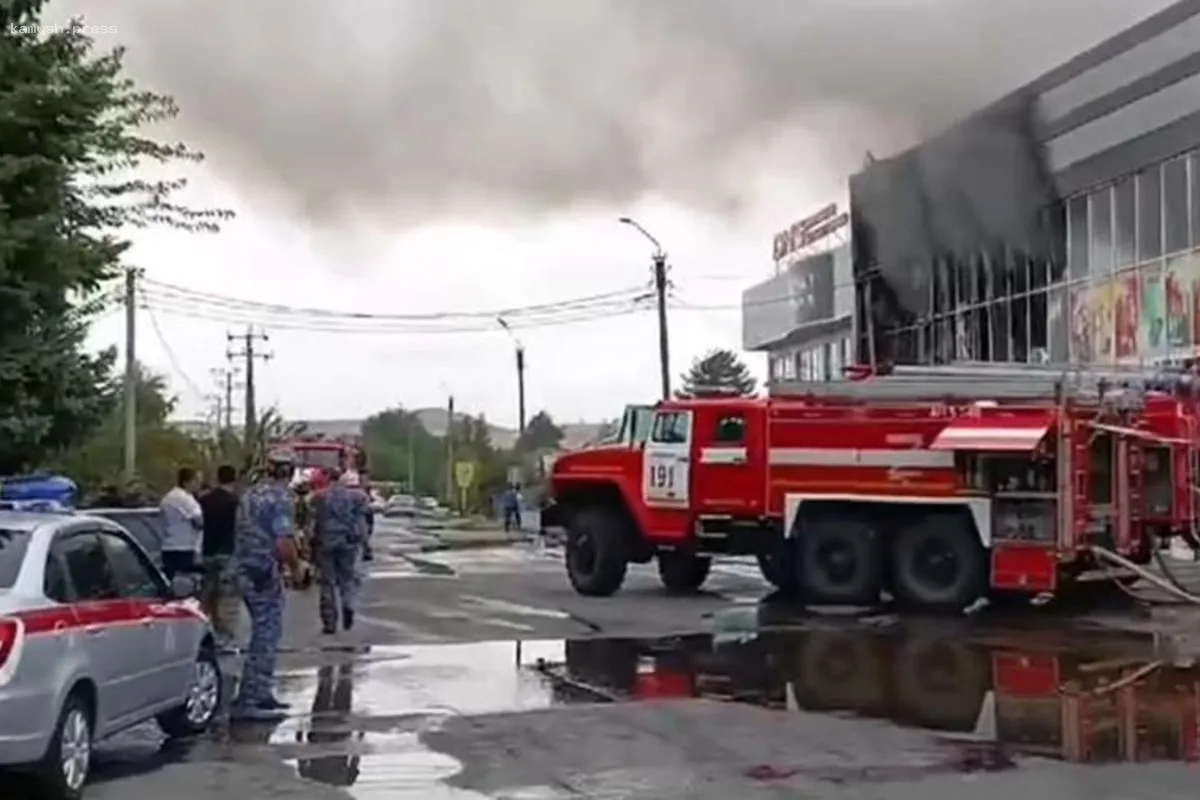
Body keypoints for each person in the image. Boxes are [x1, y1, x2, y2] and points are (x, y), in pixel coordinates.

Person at [231, 448, 300, 721]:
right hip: (262, 571)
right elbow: (283, 542)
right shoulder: (281, 498)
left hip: (243, 568)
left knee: (262, 630)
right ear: (289, 471)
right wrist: (296, 568)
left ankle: (260, 693)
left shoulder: (251, 494)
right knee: (266, 633)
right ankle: (251, 699)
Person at [312, 470, 369, 634]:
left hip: (326, 542)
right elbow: (361, 521)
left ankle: (329, 621)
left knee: (327, 583)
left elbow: (313, 522)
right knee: (347, 578)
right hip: (348, 542)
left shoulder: (319, 497)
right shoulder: (356, 497)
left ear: (328, 479)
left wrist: (310, 544)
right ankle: (348, 605)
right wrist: (365, 545)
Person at [198, 464, 240, 648]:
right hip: (228, 552)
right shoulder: (235, 501)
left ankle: (202, 630)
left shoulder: (204, 500)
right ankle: (225, 638)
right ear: (234, 479)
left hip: (207, 550)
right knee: (227, 598)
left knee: (208, 594)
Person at [159, 467, 204, 578]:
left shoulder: (167, 497)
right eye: (197, 480)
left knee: (170, 581)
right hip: (184, 547)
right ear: (187, 482)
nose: (199, 484)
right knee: (184, 583)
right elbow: (198, 521)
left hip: (168, 546)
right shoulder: (186, 499)